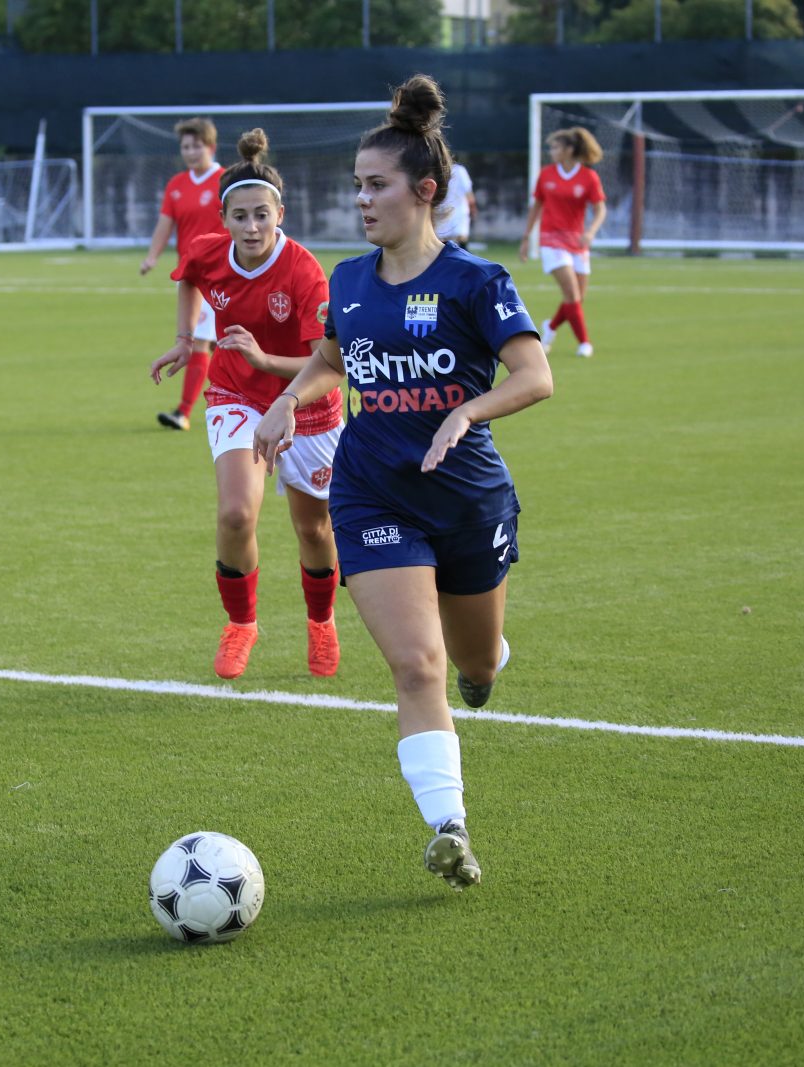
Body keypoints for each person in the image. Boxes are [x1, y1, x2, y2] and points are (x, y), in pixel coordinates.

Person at [252, 76, 552, 892]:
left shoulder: (475, 281)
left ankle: (484, 663)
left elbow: (535, 374)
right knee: (416, 666)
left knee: (475, 664)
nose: (361, 199)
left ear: (424, 193)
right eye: (356, 185)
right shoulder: (347, 282)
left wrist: (468, 412)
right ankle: (449, 827)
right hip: (372, 492)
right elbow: (331, 357)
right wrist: (284, 402)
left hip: (467, 498)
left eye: (376, 184)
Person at [150, 129, 343, 682]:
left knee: (314, 531)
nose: (252, 227)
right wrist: (187, 341)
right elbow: (188, 278)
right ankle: (242, 624)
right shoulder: (208, 251)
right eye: (240, 216)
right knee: (236, 513)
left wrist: (263, 360)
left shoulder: (306, 272)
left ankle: (321, 621)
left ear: (280, 213)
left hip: (309, 404)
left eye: (262, 214)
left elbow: (329, 368)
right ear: (223, 218)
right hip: (235, 395)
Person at [140, 118, 226, 431]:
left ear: (211, 147)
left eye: (196, 146)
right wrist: (152, 256)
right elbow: (166, 223)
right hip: (193, 278)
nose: (190, 152)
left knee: (204, 342)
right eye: (185, 147)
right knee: (216, 343)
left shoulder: (225, 180)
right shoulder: (177, 184)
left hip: (221, 275)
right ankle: (227, 403)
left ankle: (184, 412)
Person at [519, 126, 606, 358]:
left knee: (577, 298)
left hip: (577, 242)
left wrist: (590, 232)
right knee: (572, 294)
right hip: (551, 241)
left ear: (569, 149)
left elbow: (600, 209)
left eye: (556, 147)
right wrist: (526, 238)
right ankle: (584, 343)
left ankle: (551, 326)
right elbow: (536, 206)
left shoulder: (589, 177)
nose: (552, 151)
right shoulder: (546, 174)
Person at [434, 160, 476, 246]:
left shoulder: (437, 171)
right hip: (458, 214)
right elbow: (469, 195)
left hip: (442, 215)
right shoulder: (460, 171)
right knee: (461, 245)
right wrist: (473, 209)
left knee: (442, 246)